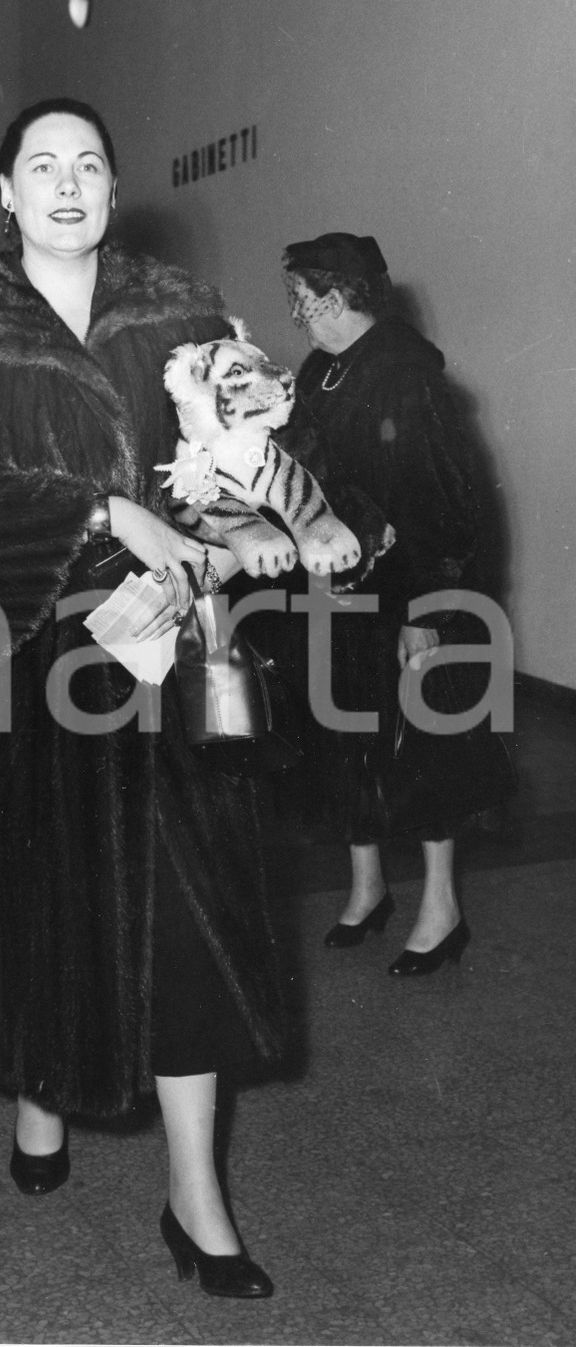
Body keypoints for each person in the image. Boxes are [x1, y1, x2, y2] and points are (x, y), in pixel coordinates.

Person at [0, 99, 287, 1298]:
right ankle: (37, 1096)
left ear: (113, 187)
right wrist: (102, 513)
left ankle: (196, 1197)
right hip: (16, 658)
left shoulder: (185, 316)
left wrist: (236, 521)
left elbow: (232, 470)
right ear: (4, 192)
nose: (66, 184)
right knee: (37, 907)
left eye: (88, 165)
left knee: (184, 922)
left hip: (161, 657)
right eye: (40, 166)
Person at [279, 232, 513, 975]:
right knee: (344, 736)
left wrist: (431, 614)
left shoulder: (408, 374)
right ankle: (367, 888)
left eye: (303, 298)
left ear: (339, 295)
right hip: (342, 592)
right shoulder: (320, 371)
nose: (297, 313)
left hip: (410, 592)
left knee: (426, 748)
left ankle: (440, 909)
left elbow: (446, 501)